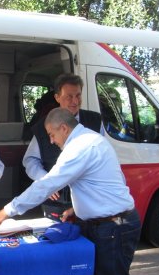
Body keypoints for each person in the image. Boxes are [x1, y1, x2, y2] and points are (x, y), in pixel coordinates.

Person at [0, 107, 141, 275]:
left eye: (51, 134)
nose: (51, 141)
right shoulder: (90, 140)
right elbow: (104, 183)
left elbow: (47, 184)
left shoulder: (81, 146)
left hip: (113, 227)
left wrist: (8, 211)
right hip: (108, 224)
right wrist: (78, 209)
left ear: (63, 127)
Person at [23, 73, 102, 214]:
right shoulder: (42, 127)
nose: (75, 101)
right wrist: (46, 181)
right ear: (57, 97)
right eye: (69, 96)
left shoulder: (95, 121)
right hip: (55, 201)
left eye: (78, 95)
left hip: (88, 201)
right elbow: (30, 161)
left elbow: (101, 158)